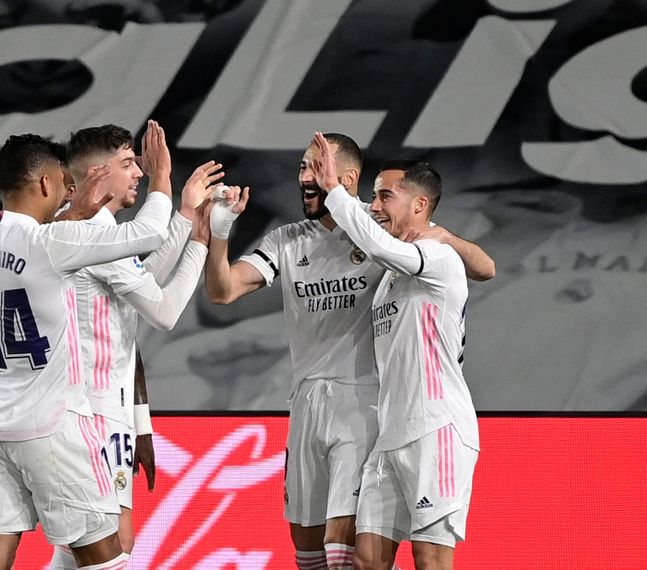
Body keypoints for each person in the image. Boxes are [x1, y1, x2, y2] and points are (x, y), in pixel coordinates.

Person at [203, 133, 493, 570]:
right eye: (302, 167)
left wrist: (446, 237)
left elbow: (483, 266)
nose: (305, 176)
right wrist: (220, 231)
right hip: (307, 403)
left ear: (348, 177)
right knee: (313, 556)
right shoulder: (289, 239)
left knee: (351, 551)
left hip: (366, 404)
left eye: (315, 167)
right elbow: (222, 293)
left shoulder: (381, 232)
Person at [0, 131, 174, 570]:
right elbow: (150, 233)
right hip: (54, 428)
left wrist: (75, 214)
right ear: (43, 184)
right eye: (62, 183)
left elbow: (29, 249)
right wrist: (162, 176)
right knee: (105, 559)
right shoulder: (52, 245)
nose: (67, 191)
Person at [49, 122, 221, 568]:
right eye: (128, 164)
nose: (139, 174)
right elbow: (163, 312)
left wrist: (186, 216)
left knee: (89, 543)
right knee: (109, 542)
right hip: (90, 408)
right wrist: (197, 240)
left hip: (103, 407)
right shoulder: (87, 233)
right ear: (97, 174)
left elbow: (141, 282)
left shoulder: (89, 230)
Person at [310, 133, 480, 570]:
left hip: (436, 427)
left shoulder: (438, 257)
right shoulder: (389, 276)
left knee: (430, 558)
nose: (375, 205)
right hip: (390, 434)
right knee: (367, 559)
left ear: (420, 204)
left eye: (385, 196)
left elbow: (380, 245)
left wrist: (335, 191)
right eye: (373, 196)